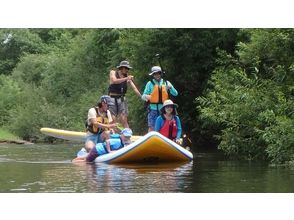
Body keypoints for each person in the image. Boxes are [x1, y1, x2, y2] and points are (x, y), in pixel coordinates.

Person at [141, 66, 178, 132]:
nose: (157, 75)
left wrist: (170, 88)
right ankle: (151, 140)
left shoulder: (166, 82)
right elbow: (143, 96)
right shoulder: (149, 84)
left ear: (160, 74)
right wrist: (147, 96)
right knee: (151, 127)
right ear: (153, 75)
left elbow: (175, 93)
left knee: (163, 127)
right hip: (153, 109)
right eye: (155, 74)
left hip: (164, 110)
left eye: (158, 73)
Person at [108, 60, 141, 128]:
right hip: (112, 98)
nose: (127, 70)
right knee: (112, 119)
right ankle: (112, 135)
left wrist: (141, 96)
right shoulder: (113, 72)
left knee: (123, 119)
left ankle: (127, 134)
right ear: (121, 68)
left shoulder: (127, 77)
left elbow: (134, 88)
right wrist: (126, 78)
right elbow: (114, 81)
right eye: (125, 68)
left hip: (122, 98)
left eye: (128, 68)